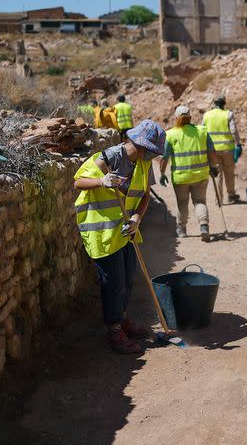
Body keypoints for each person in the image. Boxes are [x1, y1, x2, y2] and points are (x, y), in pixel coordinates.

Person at [73, 119, 166, 354]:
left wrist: (136, 219)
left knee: (127, 279)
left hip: (125, 230)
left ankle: (123, 320)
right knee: (113, 282)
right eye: (149, 149)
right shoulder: (111, 156)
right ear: (138, 143)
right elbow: (78, 182)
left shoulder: (144, 163)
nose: (150, 155)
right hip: (102, 229)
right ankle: (115, 331)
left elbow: (145, 196)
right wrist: (101, 181)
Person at [158, 106, 219, 241]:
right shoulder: (202, 131)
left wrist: (162, 173)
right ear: (190, 118)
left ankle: (182, 229)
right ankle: (204, 226)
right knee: (200, 201)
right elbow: (212, 153)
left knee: (182, 203)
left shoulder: (171, 134)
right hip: (201, 175)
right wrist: (214, 166)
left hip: (181, 178)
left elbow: (164, 157)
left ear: (176, 119)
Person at [202, 96, 243, 203]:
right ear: (224, 104)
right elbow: (233, 131)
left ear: (214, 103)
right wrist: (238, 144)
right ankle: (231, 195)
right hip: (227, 149)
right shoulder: (228, 114)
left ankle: (218, 199)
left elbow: (202, 131)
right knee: (229, 173)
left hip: (212, 151)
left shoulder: (206, 115)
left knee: (217, 174)